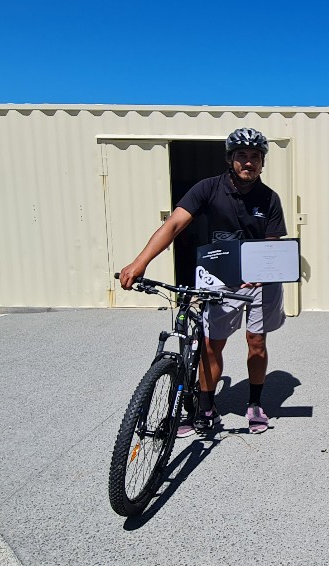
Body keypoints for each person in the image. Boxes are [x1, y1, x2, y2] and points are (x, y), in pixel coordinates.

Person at [119, 127, 287, 436]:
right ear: (229, 159)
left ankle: (254, 404)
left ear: (262, 163)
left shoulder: (269, 198)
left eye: (255, 157)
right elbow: (173, 225)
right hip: (220, 274)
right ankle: (207, 408)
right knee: (212, 345)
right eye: (241, 156)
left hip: (260, 281)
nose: (248, 163)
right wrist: (139, 262)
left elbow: (272, 247)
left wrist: (259, 274)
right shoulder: (208, 189)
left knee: (256, 342)